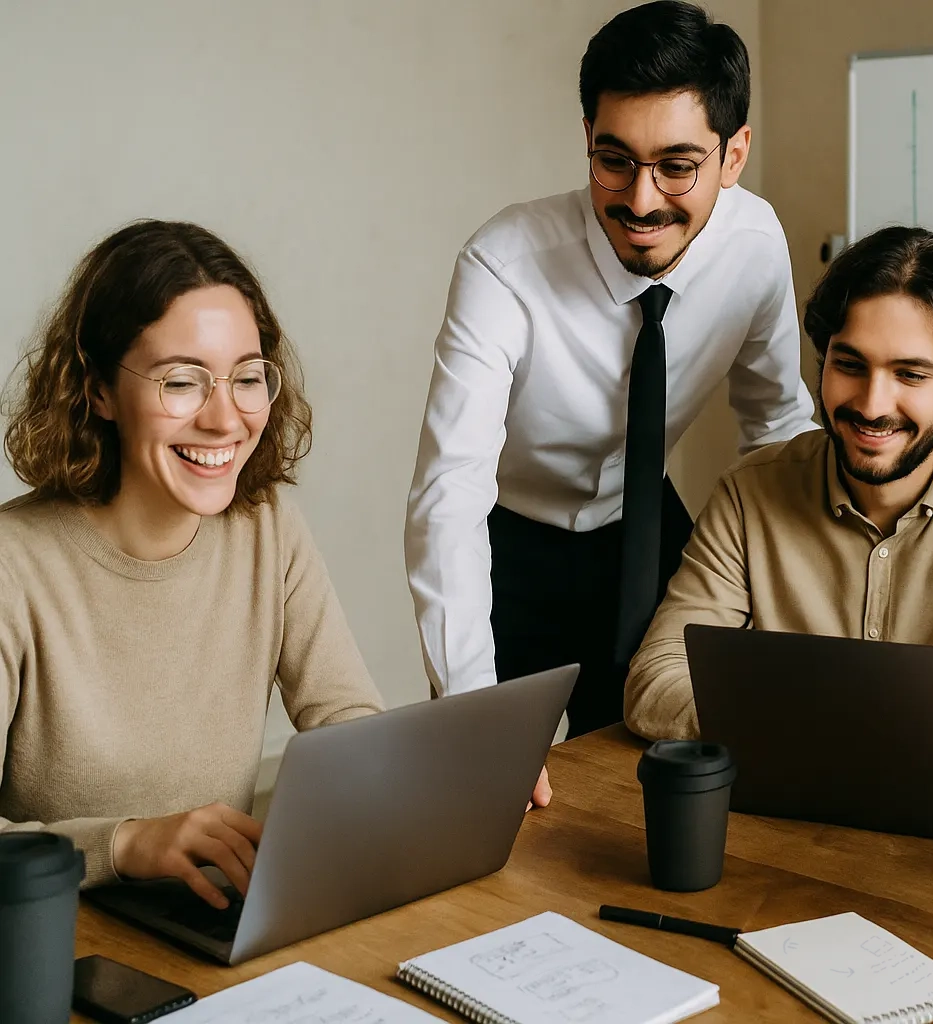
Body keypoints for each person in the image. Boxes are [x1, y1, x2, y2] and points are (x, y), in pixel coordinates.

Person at [405, 0, 816, 741]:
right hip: (511, 543)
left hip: (648, 527)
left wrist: (813, 621)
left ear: (734, 155)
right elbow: (450, 494)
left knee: (668, 761)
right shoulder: (504, 266)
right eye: (615, 159)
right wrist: (473, 713)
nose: (640, 198)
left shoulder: (754, 243)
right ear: (587, 138)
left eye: (678, 167)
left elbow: (778, 429)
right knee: (491, 788)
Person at [0, 220, 389, 907]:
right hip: (51, 940)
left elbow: (345, 718)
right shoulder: (14, 565)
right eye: (181, 382)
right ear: (96, 390)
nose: (224, 418)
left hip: (212, 925)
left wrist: (444, 778)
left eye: (246, 378)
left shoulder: (267, 528)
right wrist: (124, 844)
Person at [624, 226, 933, 741]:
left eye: (910, 375)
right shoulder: (749, 491)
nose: (872, 405)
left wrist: (834, 722)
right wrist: (845, 725)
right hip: (784, 807)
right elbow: (656, 684)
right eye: (849, 365)